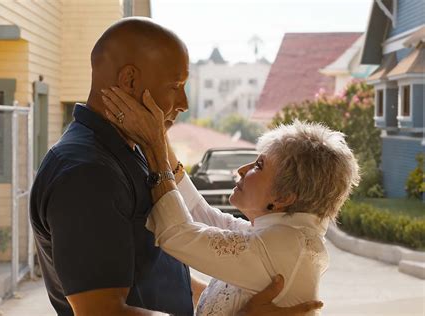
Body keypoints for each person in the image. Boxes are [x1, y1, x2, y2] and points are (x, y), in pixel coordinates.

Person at [30, 16, 322, 316]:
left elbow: (160, 269)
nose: (183, 102)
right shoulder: (86, 173)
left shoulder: (133, 151)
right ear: (130, 81)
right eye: (176, 86)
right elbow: (102, 312)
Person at [100, 88, 360, 315]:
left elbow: (178, 235)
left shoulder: (285, 245)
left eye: (259, 165)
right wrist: (160, 135)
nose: (242, 169)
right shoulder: (280, 236)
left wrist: (154, 145)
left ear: (284, 197)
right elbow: (200, 213)